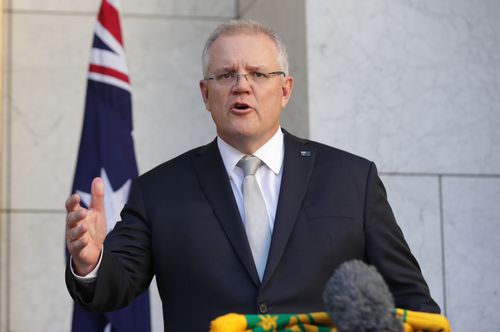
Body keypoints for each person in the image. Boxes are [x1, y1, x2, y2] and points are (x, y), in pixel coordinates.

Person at [65, 19, 440, 331]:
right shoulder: (160, 190)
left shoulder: (352, 180)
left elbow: (412, 300)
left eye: (258, 73)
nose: (242, 85)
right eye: (226, 74)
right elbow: (115, 288)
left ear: (285, 90)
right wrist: (90, 261)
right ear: (205, 94)